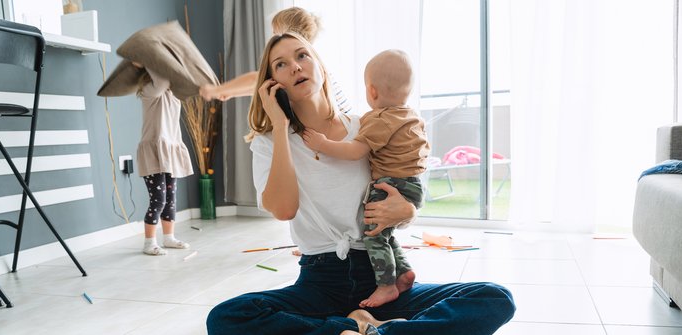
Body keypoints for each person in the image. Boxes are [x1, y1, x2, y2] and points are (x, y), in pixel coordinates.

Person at [205, 32, 515, 335]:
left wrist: (406, 211)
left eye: (302, 55)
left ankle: (377, 331)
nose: (296, 66)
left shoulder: (367, 126)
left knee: (493, 298)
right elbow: (284, 209)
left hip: (380, 278)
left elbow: (404, 189)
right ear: (272, 84)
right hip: (320, 281)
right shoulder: (269, 141)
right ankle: (351, 327)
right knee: (227, 317)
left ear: (321, 68)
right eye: (281, 64)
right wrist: (281, 125)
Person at [302, 49, 429, 308]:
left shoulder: (380, 119)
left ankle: (385, 286)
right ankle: (403, 272)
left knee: (372, 235)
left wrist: (323, 143)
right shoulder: (411, 115)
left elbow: (354, 151)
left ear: (372, 91)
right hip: (414, 185)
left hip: (389, 183)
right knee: (386, 233)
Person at [199, 6, 351, 114]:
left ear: (287, 33)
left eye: (275, 33)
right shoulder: (308, 65)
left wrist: (217, 90)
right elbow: (265, 84)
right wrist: (231, 93)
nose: (273, 38)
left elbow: (255, 79)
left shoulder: (312, 68)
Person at [133, 62, 193, 256]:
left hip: (169, 149)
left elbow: (182, 82)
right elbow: (161, 81)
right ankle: (149, 242)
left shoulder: (172, 94)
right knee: (158, 199)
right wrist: (150, 61)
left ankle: (169, 238)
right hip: (153, 151)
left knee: (171, 199)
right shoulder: (148, 91)